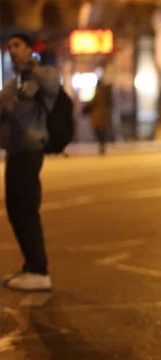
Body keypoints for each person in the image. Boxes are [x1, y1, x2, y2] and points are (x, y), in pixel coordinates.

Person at [0, 33, 61, 291]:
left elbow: (51, 82)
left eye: (17, 45)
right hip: (16, 150)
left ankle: (39, 269)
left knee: (25, 208)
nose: (12, 50)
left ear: (28, 49)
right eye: (9, 46)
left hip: (29, 149)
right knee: (16, 209)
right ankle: (31, 266)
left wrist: (31, 66)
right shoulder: (16, 82)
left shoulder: (40, 74)